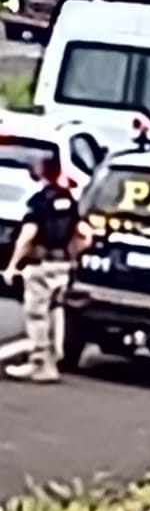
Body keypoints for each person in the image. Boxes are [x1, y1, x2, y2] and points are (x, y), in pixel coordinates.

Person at [2, 155, 82, 383]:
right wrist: (74, 259)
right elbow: (82, 235)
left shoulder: (40, 201)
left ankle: (40, 362)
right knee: (56, 311)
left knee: (37, 314)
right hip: (62, 265)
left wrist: (12, 265)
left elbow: (28, 235)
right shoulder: (68, 200)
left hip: (42, 265)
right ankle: (55, 358)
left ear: (41, 173)